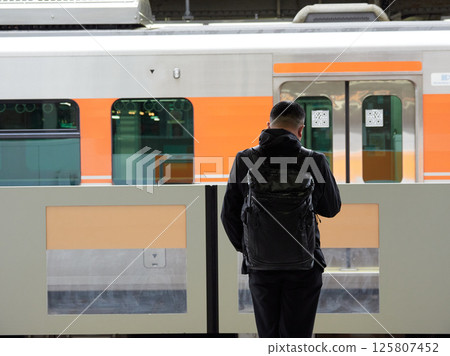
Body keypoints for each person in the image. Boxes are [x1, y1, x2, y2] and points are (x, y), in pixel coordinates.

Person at [221, 101, 341, 338]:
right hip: (304, 265)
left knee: (268, 336)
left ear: (268, 125)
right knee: (297, 338)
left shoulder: (245, 159)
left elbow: (228, 215)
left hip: (261, 266)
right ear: (300, 130)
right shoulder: (313, 160)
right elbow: (331, 208)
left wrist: (250, 249)